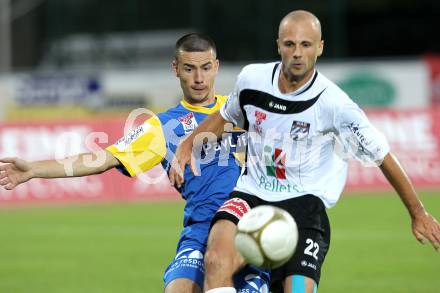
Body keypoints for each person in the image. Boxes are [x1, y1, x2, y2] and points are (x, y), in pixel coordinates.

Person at [169, 11, 440, 293]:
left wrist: (418, 213)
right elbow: (226, 115)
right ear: (278, 45)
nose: (297, 53)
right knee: (216, 260)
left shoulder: (335, 104)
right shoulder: (252, 79)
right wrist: (189, 144)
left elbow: (383, 155)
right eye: (290, 44)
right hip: (250, 194)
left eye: (306, 45)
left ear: (320, 47)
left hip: (304, 207)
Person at [0, 33, 270, 293]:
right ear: (175, 69)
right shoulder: (161, 127)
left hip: (250, 225)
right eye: (189, 69)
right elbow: (102, 159)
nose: (199, 78)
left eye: (205, 68)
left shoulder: (239, 109)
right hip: (201, 229)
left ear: (216, 67)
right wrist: (34, 169)